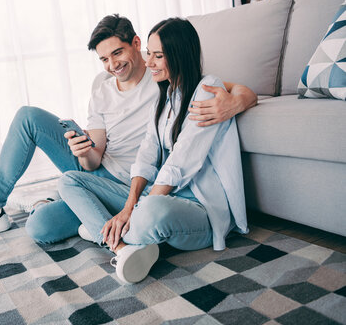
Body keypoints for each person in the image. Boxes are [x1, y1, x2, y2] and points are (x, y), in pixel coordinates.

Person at [0, 14, 256, 244]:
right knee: (28, 117)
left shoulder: (162, 79)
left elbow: (228, 88)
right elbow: (95, 159)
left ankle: (53, 208)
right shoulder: (105, 91)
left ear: (134, 45)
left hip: (138, 184)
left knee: (42, 227)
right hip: (105, 173)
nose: (113, 65)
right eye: (104, 59)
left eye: (118, 53)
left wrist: (237, 102)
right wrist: (84, 153)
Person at [57, 18, 248, 284]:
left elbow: (181, 161)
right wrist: (129, 204)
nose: (149, 62)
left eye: (158, 55)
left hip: (197, 208)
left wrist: (134, 210)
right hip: (157, 194)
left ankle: (100, 229)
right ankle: (122, 248)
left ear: (179, 54)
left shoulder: (206, 90)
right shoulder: (165, 94)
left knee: (151, 210)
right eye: (150, 53)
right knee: (68, 180)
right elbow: (147, 153)